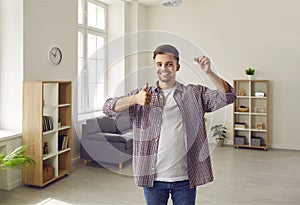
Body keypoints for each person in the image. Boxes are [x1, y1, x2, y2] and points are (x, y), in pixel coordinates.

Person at [103, 44, 236, 205]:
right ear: (154, 67)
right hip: (153, 178)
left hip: (186, 178)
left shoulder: (194, 94)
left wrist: (209, 72)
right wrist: (134, 100)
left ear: (177, 67)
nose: (164, 68)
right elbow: (108, 108)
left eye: (169, 64)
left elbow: (228, 97)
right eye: (159, 64)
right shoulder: (142, 95)